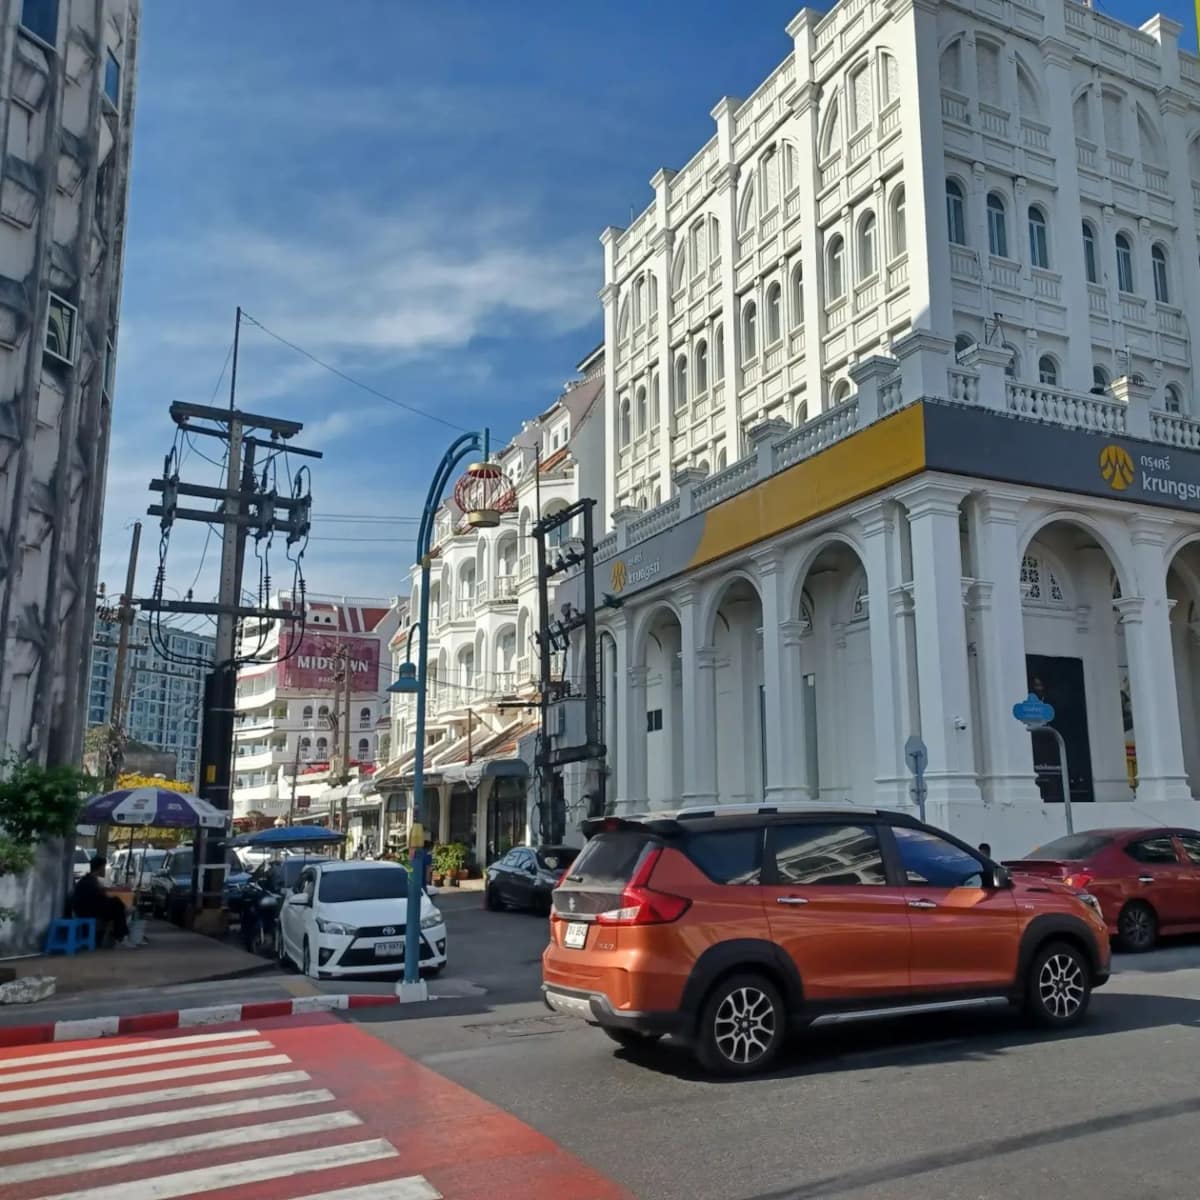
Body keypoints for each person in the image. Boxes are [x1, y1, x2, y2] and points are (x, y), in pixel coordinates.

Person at [72, 856, 133, 948]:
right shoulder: (91, 881)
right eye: (103, 867)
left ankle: (119, 936)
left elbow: (100, 894)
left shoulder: (88, 879)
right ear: (100, 868)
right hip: (87, 911)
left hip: (85, 909)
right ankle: (120, 937)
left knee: (117, 906)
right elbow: (100, 897)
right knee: (117, 905)